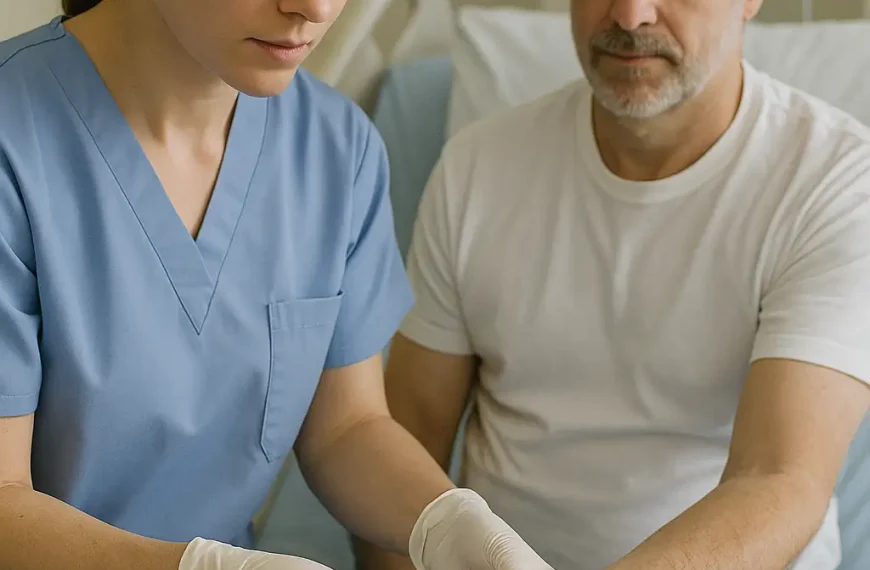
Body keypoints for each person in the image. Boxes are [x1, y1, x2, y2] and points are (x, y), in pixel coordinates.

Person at [0, 1, 554, 569]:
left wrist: (445, 520)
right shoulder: (14, 143)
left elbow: (345, 427)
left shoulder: (338, 151)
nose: (313, 7)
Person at [355, 0, 870, 569]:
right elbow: (403, 449)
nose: (629, 16)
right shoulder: (475, 170)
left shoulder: (835, 184)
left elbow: (778, 478)